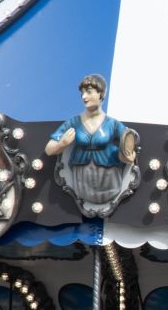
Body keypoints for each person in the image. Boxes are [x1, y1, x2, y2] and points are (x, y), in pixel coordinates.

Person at [45, 73, 138, 217]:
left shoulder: (112, 124)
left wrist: (127, 154)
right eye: (82, 93)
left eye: (88, 92)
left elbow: (129, 141)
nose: (84, 97)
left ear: (101, 93)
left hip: (109, 180)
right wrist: (62, 144)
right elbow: (49, 149)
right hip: (82, 182)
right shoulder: (74, 122)